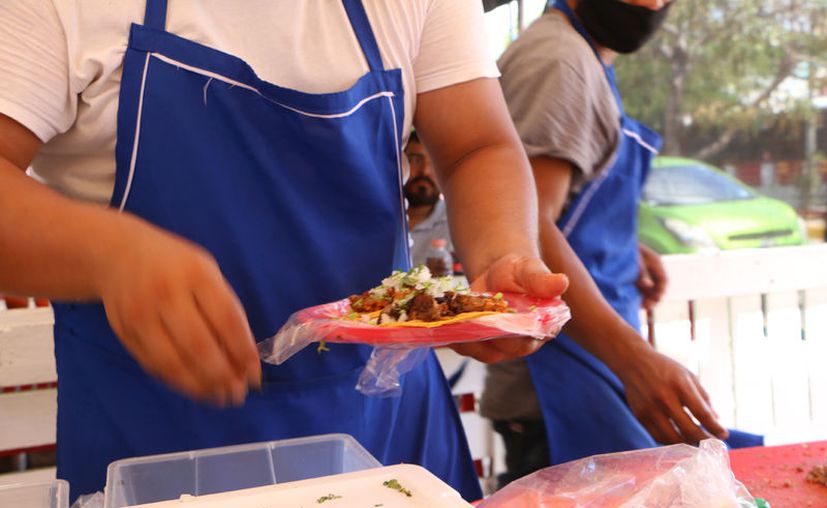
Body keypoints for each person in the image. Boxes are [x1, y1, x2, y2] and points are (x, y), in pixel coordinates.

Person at [0, 1, 572, 501]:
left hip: (387, 434)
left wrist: (501, 253)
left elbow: (478, 144)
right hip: (159, 444)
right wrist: (113, 256)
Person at [481, 0, 745, 487]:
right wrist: (633, 360)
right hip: (559, 391)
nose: (655, 4)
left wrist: (624, 249)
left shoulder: (584, 56)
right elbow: (523, 226)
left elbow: (562, 212)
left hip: (592, 374)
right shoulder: (558, 62)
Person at [403, 131, 453, 268]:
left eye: (434, 162)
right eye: (416, 160)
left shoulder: (457, 222)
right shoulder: (374, 218)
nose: (425, 171)